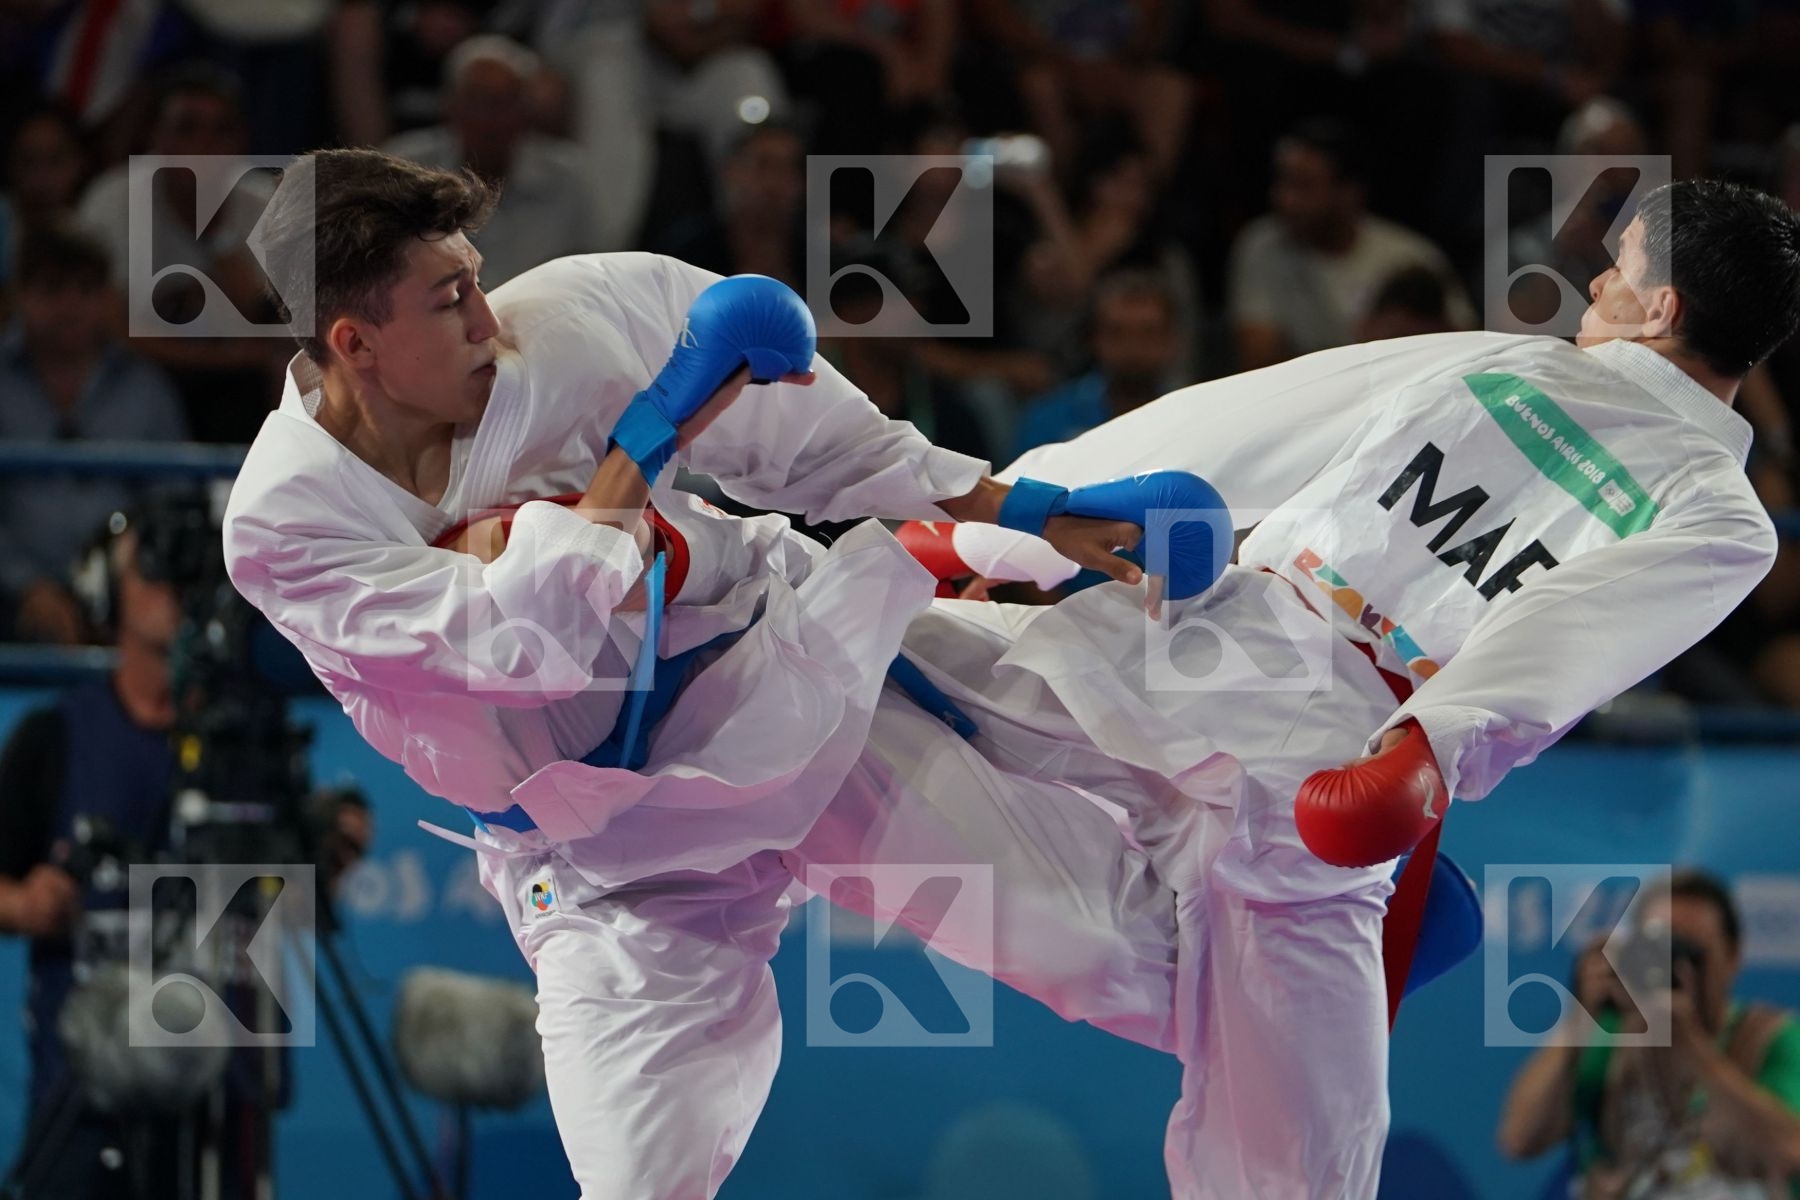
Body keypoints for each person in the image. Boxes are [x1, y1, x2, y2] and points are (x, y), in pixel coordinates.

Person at [222, 147, 1194, 1200]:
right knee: (638, 1181)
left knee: (1100, 948)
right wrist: (645, 441)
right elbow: (511, 645)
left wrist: (1027, 509)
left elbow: (817, 440)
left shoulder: (568, 317)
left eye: (475, 276)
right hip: (607, 855)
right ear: (355, 343)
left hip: (771, 679)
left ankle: (1323, 901)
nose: (486, 318)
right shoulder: (289, 522)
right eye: (449, 299)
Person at [898, 178, 1800, 1196]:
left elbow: (1573, 624)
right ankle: (734, 631)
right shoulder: (1684, 485)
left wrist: (998, 519)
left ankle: (739, 623)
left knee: (872, 663)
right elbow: (1257, 423)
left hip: (1256, 697)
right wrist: (999, 526)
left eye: (1618, 265)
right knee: (1297, 1151)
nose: (1594, 280)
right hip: (1307, 739)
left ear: (1662, 308)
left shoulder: (1665, 475)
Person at [0, 508, 370, 1199]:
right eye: (154, 568)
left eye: (194, 572)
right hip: (89, 1093)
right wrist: (24, 904)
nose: (174, 588)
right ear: (106, 594)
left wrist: (319, 869)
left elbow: (276, 933)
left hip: (226, 1096)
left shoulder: (248, 746)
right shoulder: (53, 737)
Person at [1497, 870, 1800, 1196]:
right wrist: (1580, 1019)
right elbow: (1519, 1140)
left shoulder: (1771, 1038)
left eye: (1691, 952)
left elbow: (1788, 1151)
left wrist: (1691, 1047)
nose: (1675, 966)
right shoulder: (1610, 1038)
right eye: (1660, 948)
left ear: (1733, 955)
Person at [0, 224, 188, 645]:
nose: (69, 306)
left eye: (85, 289)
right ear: (17, 296)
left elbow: (170, 504)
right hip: (9, 599)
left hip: (126, 608)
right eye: (51, 289)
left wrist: (126, 586)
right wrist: (29, 587)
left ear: (107, 297)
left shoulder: (146, 388)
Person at [1227, 117, 1473, 371]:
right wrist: (1364, 350)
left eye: (1304, 186)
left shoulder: (1411, 255)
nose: (1286, 200)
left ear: (1349, 192)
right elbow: (1258, 365)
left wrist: (1401, 336)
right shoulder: (1262, 246)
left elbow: (1464, 349)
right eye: (1282, 181)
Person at [384, 36, 602, 290]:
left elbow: (591, 277)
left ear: (526, 112)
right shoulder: (405, 168)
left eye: (504, 103)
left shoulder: (569, 180)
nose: (490, 118)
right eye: (477, 101)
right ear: (450, 105)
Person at [1011, 268, 1181, 459]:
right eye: (1116, 333)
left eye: (1148, 332)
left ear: (1171, 340)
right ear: (1094, 339)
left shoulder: (1192, 419)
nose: (1133, 347)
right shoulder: (1048, 419)